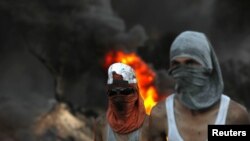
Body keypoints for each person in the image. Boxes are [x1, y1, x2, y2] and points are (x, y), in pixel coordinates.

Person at [149, 31, 250, 141]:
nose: (183, 70)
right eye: (176, 64)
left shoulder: (232, 116)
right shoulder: (161, 115)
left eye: (190, 62)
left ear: (208, 64)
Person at [94, 62, 149, 141]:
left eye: (125, 91)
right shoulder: (101, 124)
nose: (118, 97)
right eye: (113, 92)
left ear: (135, 92)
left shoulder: (149, 124)